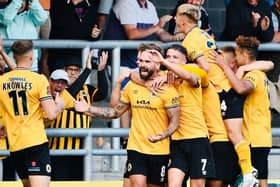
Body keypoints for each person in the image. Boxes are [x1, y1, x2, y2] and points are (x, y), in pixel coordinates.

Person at [75, 43, 180, 187]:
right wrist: (89, 108)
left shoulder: (169, 86)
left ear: (158, 64)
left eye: (147, 61)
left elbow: (175, 121)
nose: (141, 65)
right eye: (140, 61)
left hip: (160, 150)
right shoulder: (132, 86)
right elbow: (114, 112)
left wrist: (162, 135)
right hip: (136, 148)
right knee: (136, 184)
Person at [175, 4, 258, 187]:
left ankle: (248, 172)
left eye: (176, 17)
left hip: (222, 88)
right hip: (221, 88)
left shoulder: (190, 41)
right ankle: (246, 171)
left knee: (232, 133)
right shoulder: (203, 34)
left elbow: (204, 67)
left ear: (182, 20)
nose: (174, 20)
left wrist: (177, 68)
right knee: (228, 132)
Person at [148, 44, 216, 187]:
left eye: (175, 57)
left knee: (197, 185)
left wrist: (165, 64)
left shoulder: (195, 71)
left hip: (197, 139)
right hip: (176, 141)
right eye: (168, 56)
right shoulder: (163, 77)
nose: (170, 60)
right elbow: (140, 76)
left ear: (185, 61)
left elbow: (189, 75)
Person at [0, 40, 64, 187]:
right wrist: (59, 105)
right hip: (35, 144)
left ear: (15, 56)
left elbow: (16, 77)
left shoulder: (2, 81)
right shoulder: (39, 80)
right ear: (32, 57)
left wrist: (2, 52)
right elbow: (51, 114)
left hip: (15, 146)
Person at [211, 36, 272, 187]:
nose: (236, 59)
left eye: (237, 55)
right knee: (260, 181)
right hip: (260, 136)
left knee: (253, 181)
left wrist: (225, 66)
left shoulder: (253, 74)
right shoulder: (257, 71)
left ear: (244, 54)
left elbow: (242, 88)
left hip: (253, 137)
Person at [47, 50, 108, 180]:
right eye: (70, 69)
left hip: (81, 147)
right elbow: (72, 93)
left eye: (76, 70)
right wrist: (87, 70)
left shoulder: (87, 89)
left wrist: (101, 71)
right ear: (64, 70)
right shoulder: (58, 88)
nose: (73, 72)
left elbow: (102, 93)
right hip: (58, 147)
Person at [47, 0, 106, 74]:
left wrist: (95, 35)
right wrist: (73, 4)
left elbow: (93, 29)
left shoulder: (90, 4)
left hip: (81, 57)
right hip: (60, 57)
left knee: (81, 84)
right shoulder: (59, 3)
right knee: (60, 84)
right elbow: (60, 26)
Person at [0, 0, 48, 72]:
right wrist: (17, 2)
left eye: (23, 1)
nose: (20, 4)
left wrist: (33, 1)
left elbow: (43, 18)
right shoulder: (3, 13)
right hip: (10, 64)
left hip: (31, 66)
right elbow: (6, 18)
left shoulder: (30, 15)